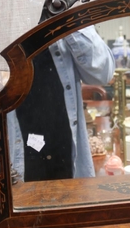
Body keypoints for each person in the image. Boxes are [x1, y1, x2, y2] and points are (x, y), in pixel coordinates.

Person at [8, 25, 115, 182]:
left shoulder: (63, 12)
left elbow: (103, 74)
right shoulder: (5, 18)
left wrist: (68, 18)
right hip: (22, 156)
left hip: (65, 155)